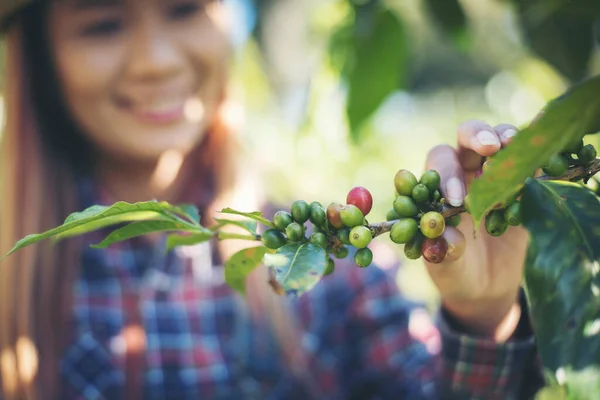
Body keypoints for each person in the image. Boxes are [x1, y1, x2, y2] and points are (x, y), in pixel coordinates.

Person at [0, 0, 544, 399]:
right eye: (102, 25)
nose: (156, 61)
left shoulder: (326, 271)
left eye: (186, 9)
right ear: (41, 59)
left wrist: (482, 315)